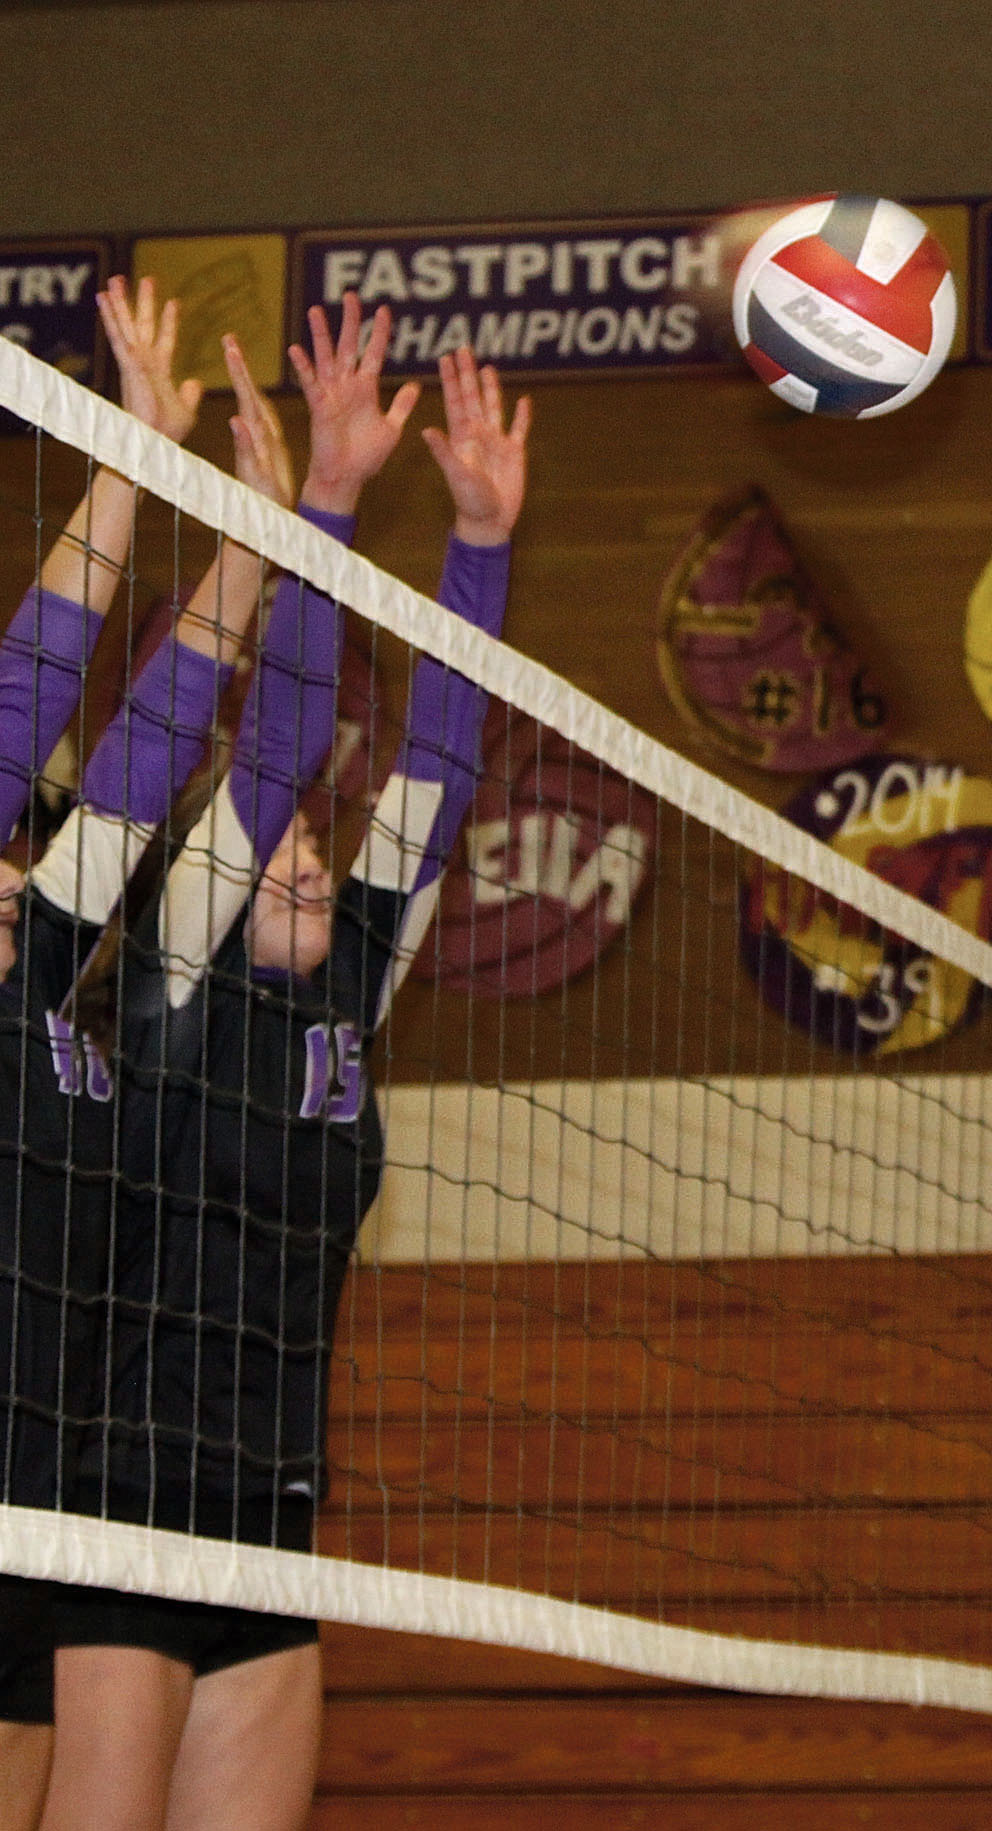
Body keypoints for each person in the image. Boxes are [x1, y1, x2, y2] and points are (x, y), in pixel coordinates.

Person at [33, 308, 524, 1831]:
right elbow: (281, 734)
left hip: (273, 1512)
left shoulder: (354, 984)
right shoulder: (175, 978)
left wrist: (484, 540)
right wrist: (322, 499)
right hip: (122, 1504)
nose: (309, 845)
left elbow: (437, 763)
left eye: (317, 838)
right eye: (281, 840)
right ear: (207, 882)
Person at [0, 277, 292, 1831]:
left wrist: (257, 530)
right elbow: (34, 690)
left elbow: (151, 741)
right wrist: (122, 466)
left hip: (41, 1520)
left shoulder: (54, 994)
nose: (15, 861)